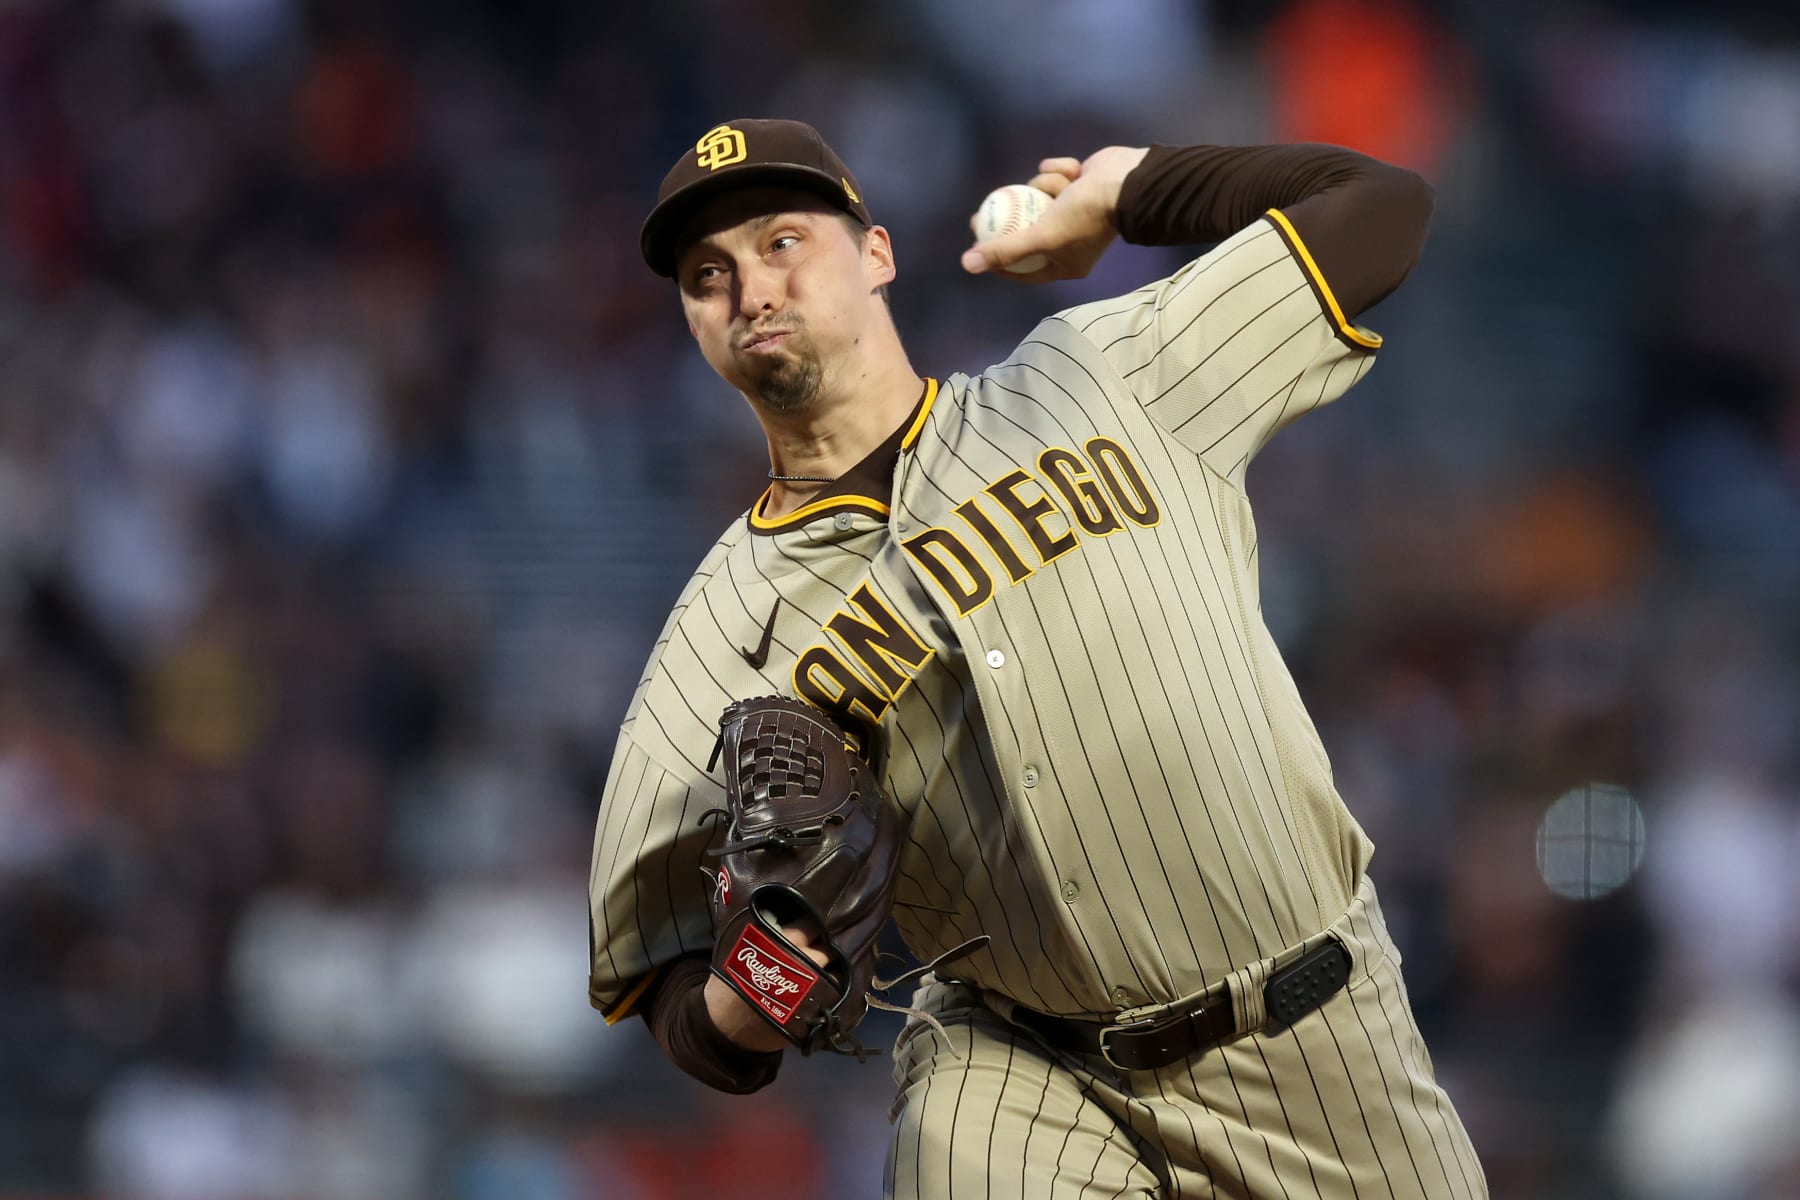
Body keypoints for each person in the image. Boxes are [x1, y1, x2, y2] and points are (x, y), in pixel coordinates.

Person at [588, 117, 1487, 1198]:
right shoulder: (718, 631)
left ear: (876, 255)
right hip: (1022, 1067)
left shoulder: (1101, 374)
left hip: (1319, 1035)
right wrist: (752, 998)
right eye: (708, 275)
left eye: (783, 242)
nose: (750, 290)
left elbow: (1382, 209)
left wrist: (1130, 191)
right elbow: (660, 979)